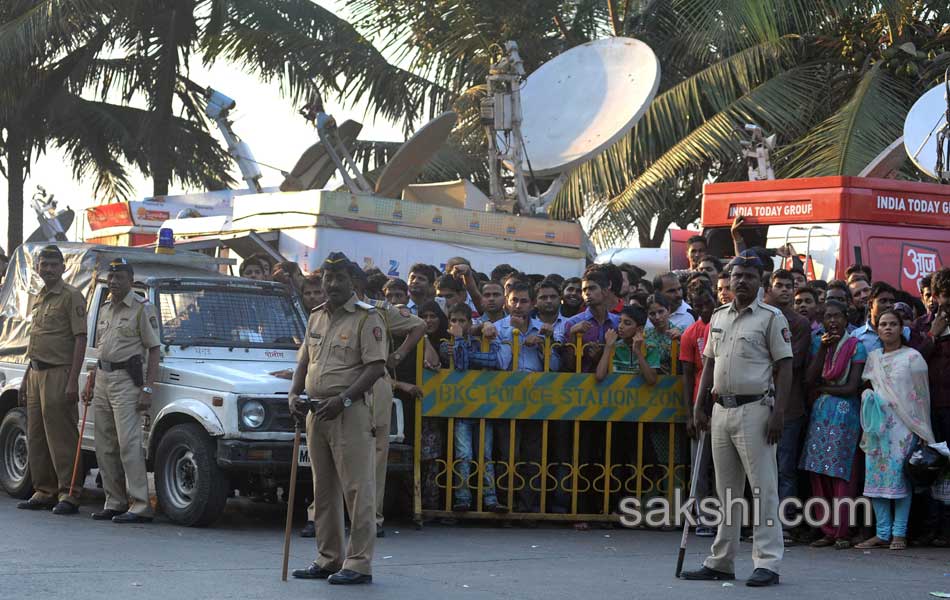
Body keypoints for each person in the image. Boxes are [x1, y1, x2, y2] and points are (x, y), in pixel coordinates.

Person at [684, 254, 792, 588]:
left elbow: (785, 367)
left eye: (748, 276)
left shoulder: (772, 318)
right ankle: (721, 561)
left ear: (760, 281)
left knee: (763, 489)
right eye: (736, 276)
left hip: (756, 410)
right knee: (726, 490)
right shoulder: (719, 317)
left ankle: (768, 563)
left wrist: (779, 414)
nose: (740, 281)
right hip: (720, 410)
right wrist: (698, 407)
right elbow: (709, 366)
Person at [289, 252, 387, 585]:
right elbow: (304, 361)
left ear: (353, 282)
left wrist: (343, 399)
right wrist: (293, 394)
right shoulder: (316, 316)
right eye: (327, 278)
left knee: (358, 490)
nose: (331, 284)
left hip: (350, 412)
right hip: (316, 413)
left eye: (339, 278)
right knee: (324, 491)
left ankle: (358, 563)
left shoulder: (366, 318)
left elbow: (375, 368)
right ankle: (328, 558)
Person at [351, 265, 427, 538]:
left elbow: (419, 325)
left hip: (374, 384)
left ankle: (372, 518)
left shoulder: (379, 309)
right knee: (335, 452)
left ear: (357, 285)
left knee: (376, 453)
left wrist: (400, 355)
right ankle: (322, 515)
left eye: (343, 281)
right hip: (338, 385)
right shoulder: (326, 311)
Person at [84, 258, 161, 523]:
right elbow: (102, 349)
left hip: (127, 382)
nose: (114, 282)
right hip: (103, 378)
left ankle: (139, 505)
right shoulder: (105, 309)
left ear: (130, 279)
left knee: (129, 444)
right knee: (104, 445)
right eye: (111, 277)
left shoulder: (141, 309)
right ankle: (114, 501)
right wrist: (92, 380)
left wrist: (148, 388)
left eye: (119, 277)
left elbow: (154, 350)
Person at [855, 310, 935, 551]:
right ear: (877, 329)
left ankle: (899, 533)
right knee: (876, 480)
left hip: (905, 427)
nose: (887, 328)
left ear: (902, 328)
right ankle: (882, 533)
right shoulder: (874, 358)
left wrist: (923, 431)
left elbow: (921, 398)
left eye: (893, 324)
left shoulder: (913, 358)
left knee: (900, 481)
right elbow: (870, 387)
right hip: (877, 427)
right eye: (883, 324)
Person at [17, 245, 87, 515]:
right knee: (37, 436)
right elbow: (35, 341)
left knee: (62, 436)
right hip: (35, 372)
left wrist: (73, 380)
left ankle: (69, 493)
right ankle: (44, 490)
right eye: (43, 264)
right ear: (37, 267)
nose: (48, 268)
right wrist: (26, 378)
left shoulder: (72, 296)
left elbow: (80, 338)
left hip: (59, 372)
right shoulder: (40, 296)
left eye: (53, 264)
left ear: (63, 267)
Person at [799, 300, 866, 549]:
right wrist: (824, 351)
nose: (833, 321)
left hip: (844, 414)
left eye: (837, 316)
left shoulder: (856, 346)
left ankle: (842, 531)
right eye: (828, 317)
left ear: (846, 319)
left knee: (841, 472)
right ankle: (826, 529)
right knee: (818, 471)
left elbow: (850, 388)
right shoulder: (820, 343)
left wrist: (823, 388)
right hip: (821, 414)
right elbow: (808, 379)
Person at [440, 303, 505, 512]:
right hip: (459, 408)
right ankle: (462, 497)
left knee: (485, 454)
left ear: (470, 323)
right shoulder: (444, 344)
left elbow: (495, 360)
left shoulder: (480, 341)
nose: (457, 324)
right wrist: (459, 342)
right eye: (453, 320)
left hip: (483, 406)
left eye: (462, 321)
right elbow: (460, 366)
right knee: (463, 454)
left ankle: (490, 499)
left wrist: (463, 346)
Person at [765, 270, 812, 537]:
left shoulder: (799, 323)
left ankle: (786, 525)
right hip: (758, 402)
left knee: (784, 468)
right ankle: (764, 524)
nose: (784, 290)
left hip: (789, 405)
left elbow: (789, 363)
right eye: (779, 285)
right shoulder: (761, 316)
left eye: (789, 285)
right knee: (761, 469)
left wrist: (762, 362)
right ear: (769, 288)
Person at [680, 284, 717, 537]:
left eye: (708, 302)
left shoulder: (724, 325)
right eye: (699, 305)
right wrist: (690, 413)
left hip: (724, 404)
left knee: (725, 468)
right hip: (700, 406)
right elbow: (687, 375)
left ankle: (727, 517)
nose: (705, 308)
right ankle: (704, 517)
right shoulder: (690, 333)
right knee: (700, 467)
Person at [596, 305, 656, 383]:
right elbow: (599, 376)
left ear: (640, 329)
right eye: (619, 321)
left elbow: (651, 380)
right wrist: (608, 346)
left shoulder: (650, 347)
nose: (620, 326)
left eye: (627, 323)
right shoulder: (614, 345)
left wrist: (638, 352)